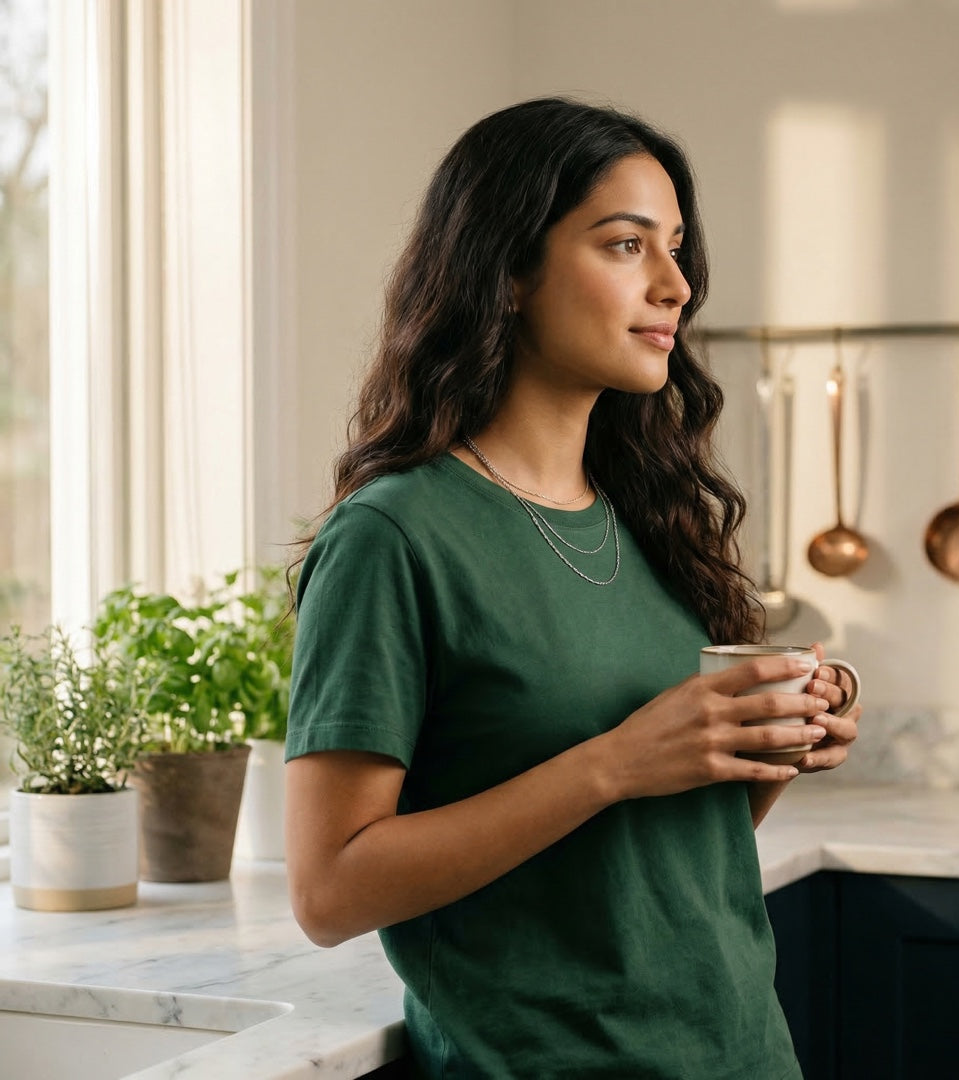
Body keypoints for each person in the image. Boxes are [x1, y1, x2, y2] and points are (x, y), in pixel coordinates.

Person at [284, 97, 860, 1080]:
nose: (677, 285)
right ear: (506, 273)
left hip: (746, 1056)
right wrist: (619, 762)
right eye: (628, 245)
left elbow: (662, 856)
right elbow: (330, 889)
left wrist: (765, 744)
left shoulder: (654, 515)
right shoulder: (394, 537)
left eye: (676, 248)